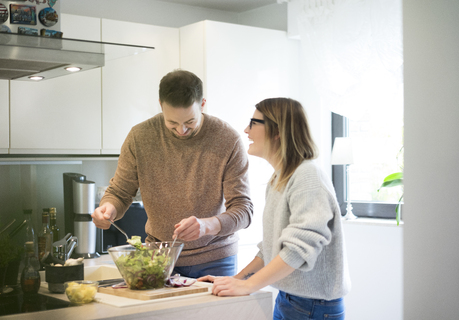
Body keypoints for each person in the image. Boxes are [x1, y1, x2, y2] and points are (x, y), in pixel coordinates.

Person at [199, 98, 351, 319]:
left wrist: (248, 286)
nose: (246, 130)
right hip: (289, 300)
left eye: (253, 123)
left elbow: (297, 250)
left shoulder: (307, 176)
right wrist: (239, 279)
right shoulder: (279, 179)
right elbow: (271, 249)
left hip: (313, 308)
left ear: (277, 130)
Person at [92, 69, 253, 277]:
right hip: (158, 258)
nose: (181, 131)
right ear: (160, 105)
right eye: (172, 123)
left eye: (189, 122)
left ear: (202, 104)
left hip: (215, 259)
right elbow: (120, 192)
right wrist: (108, 208)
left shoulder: (227, 139)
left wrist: (207, 226)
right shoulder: (139, 137)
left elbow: (244, 210)